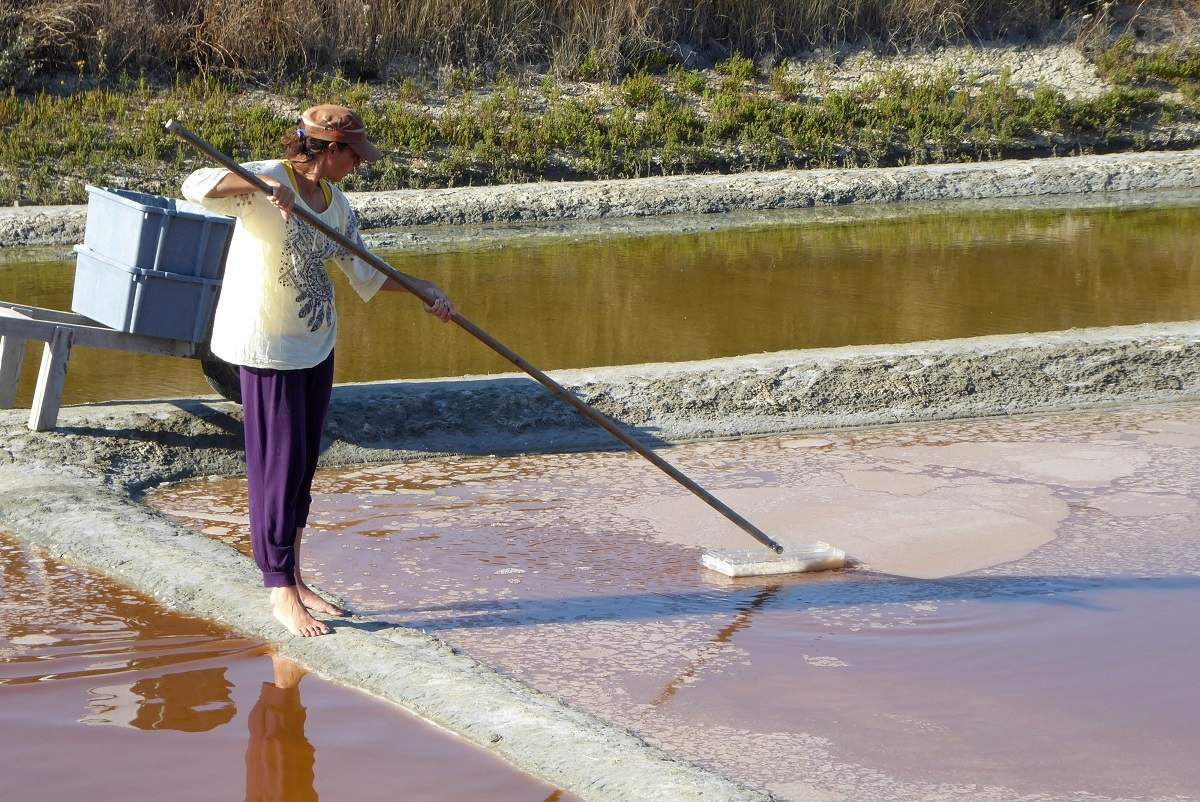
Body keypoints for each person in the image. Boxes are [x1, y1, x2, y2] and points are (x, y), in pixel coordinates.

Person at [182, 105, 455, 638]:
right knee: (277, 464)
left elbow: (364, 270)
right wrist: (260, 183)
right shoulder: (267, 178)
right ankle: (278, 588)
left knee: (304, 464)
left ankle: (296, 576)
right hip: (268, 347)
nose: (360, 163)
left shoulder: (337, 203)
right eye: (355, 154)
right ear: (330, 149)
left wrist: (422, 289)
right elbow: (194, 185)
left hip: (315, 345)